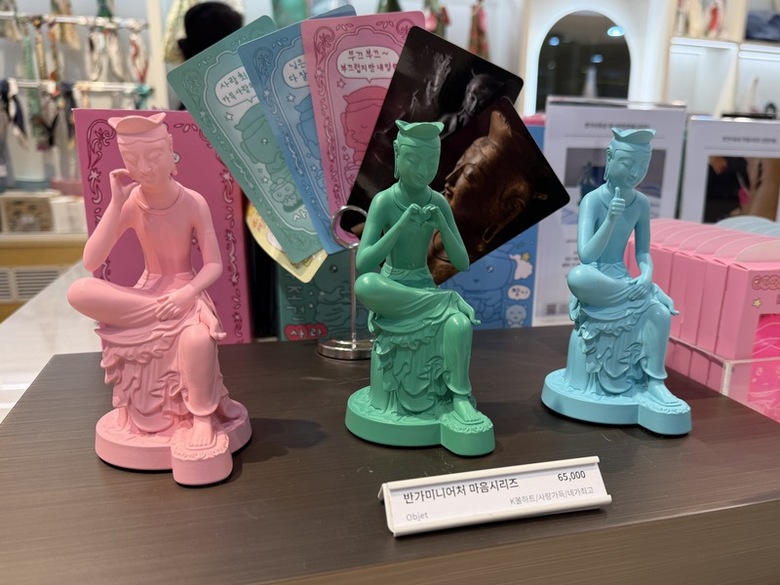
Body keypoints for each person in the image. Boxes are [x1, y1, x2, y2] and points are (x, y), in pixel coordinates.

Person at [67, 113, 246, 454]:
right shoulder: (132, 203)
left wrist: (187, 295)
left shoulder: (192, 202)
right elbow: (91, 261)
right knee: (79, 290)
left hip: (184, 291)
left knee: (197, 339)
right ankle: (165, 316)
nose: (144, 167)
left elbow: (213, 265)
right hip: (147, 295)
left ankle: (202, 418)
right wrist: (116, 204)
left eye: (153, 156)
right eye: (132, 159)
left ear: (170, 151)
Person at [346, 121, 494, 456]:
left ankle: (459, 398)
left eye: (431, 161)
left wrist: (442, 224)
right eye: (414, 160)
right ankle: (445, 302)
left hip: (423, 287)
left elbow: (462, 261)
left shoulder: (438, 202)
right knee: (365, 285)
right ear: (398, 155)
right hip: (391, 287)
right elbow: (365, 262)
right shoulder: (384, 201)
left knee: (459, 324)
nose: (422, 170)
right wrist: (400, 224)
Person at [543, 128, 690, 436]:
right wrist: (610, 219)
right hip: (597, 280)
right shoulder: (593, 201)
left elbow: (643, 252)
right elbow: (586, 256)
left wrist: (646, 276)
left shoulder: (641, 204)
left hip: (621, 278)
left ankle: (655, 383)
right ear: (610, 158)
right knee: (577, 276)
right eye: (628, 163)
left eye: (642, 165)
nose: (635, 172)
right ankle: (645, 294)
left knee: (660, 314)